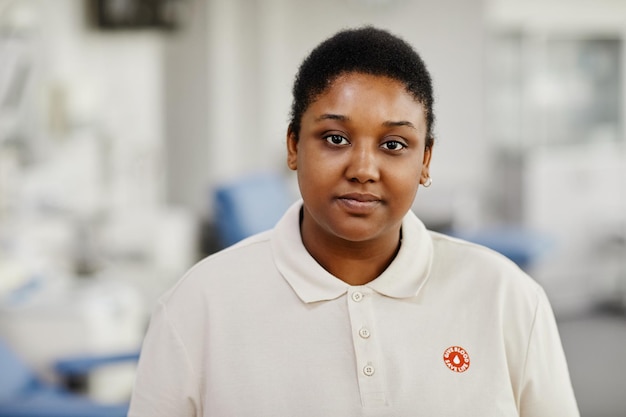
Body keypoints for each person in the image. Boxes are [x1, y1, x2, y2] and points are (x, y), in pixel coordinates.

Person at [128, 27, 579, 416]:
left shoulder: (506, 297)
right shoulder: (198, 305)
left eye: (395, 144)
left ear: (426, 160)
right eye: (335, 137)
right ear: (293, 146)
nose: (363, 168)